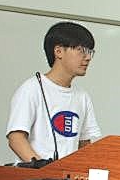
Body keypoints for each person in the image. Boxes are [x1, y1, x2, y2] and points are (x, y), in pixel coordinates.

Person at [6, 22, 101, 162]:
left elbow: (84, 143)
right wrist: (43, 169)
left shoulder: (82, 97)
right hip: (37, 175)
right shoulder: (32, 88)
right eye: (81, 50)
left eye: (90, 52)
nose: (87, 57)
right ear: (58, 51)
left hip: (68, 176)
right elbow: (16, 138)